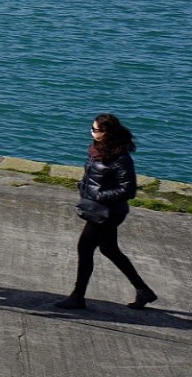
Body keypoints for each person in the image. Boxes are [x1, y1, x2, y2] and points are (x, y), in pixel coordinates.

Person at [53, 114, 157, 311]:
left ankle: (78, 296)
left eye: (96, 130)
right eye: (92, 128)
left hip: (107, 213)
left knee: (85, 248)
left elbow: (128, 190)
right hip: (98, 209)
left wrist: (98, 194)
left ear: (107, 133)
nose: (92, 133)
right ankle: (143, 290)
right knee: (109, 249)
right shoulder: (97, 150)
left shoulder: (121, 158)